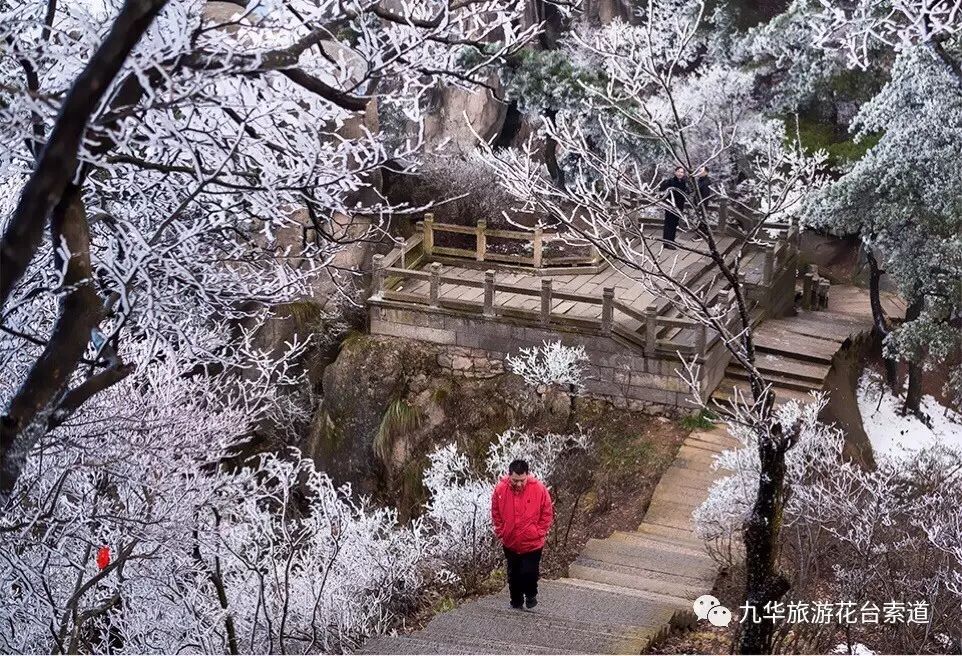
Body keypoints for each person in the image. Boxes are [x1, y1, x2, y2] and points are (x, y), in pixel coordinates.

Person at [490, 459, 554, 610]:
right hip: (510, 540)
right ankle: (516, 601)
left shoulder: (538, 488)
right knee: (514, 573)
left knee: (529, 571)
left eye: (522, 480)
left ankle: (531, 594)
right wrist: (501, 531)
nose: (518, 484)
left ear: (527, 475)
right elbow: (495, 512)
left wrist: (539, 531)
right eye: (515, 480)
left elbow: (547, 512)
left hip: (532, 541)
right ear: (509, 475)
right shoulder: (500, 489)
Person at [658, 166, 688, 248]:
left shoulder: (683, 182)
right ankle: (667, 242)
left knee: (674, 224)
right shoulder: (670, 181)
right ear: (675, 172)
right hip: (671, 205)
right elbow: (661, 190)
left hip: (679, 206)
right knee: (669, 223)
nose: (680, 174)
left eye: (682, 172)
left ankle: (671, 240)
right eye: (678, 171)